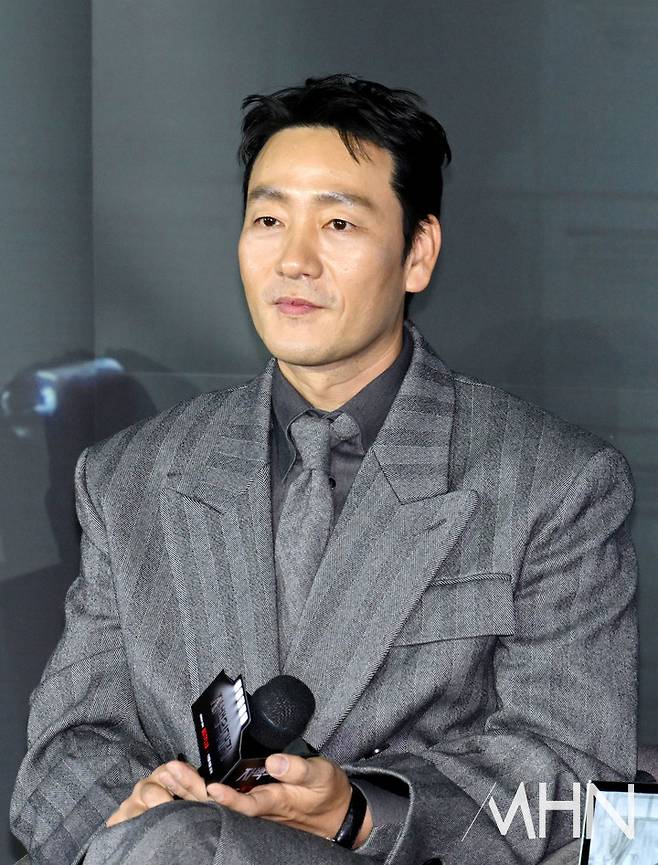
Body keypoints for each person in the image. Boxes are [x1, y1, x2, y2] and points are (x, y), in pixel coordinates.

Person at [10, 74, 638, 865]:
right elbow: (62, 757)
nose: (295, 260)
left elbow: (575, 783)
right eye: (268, 219)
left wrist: (361, 812)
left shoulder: (554, 485)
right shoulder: (129, 477)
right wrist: (130, 811)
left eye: (338, 222)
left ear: (418, 253)